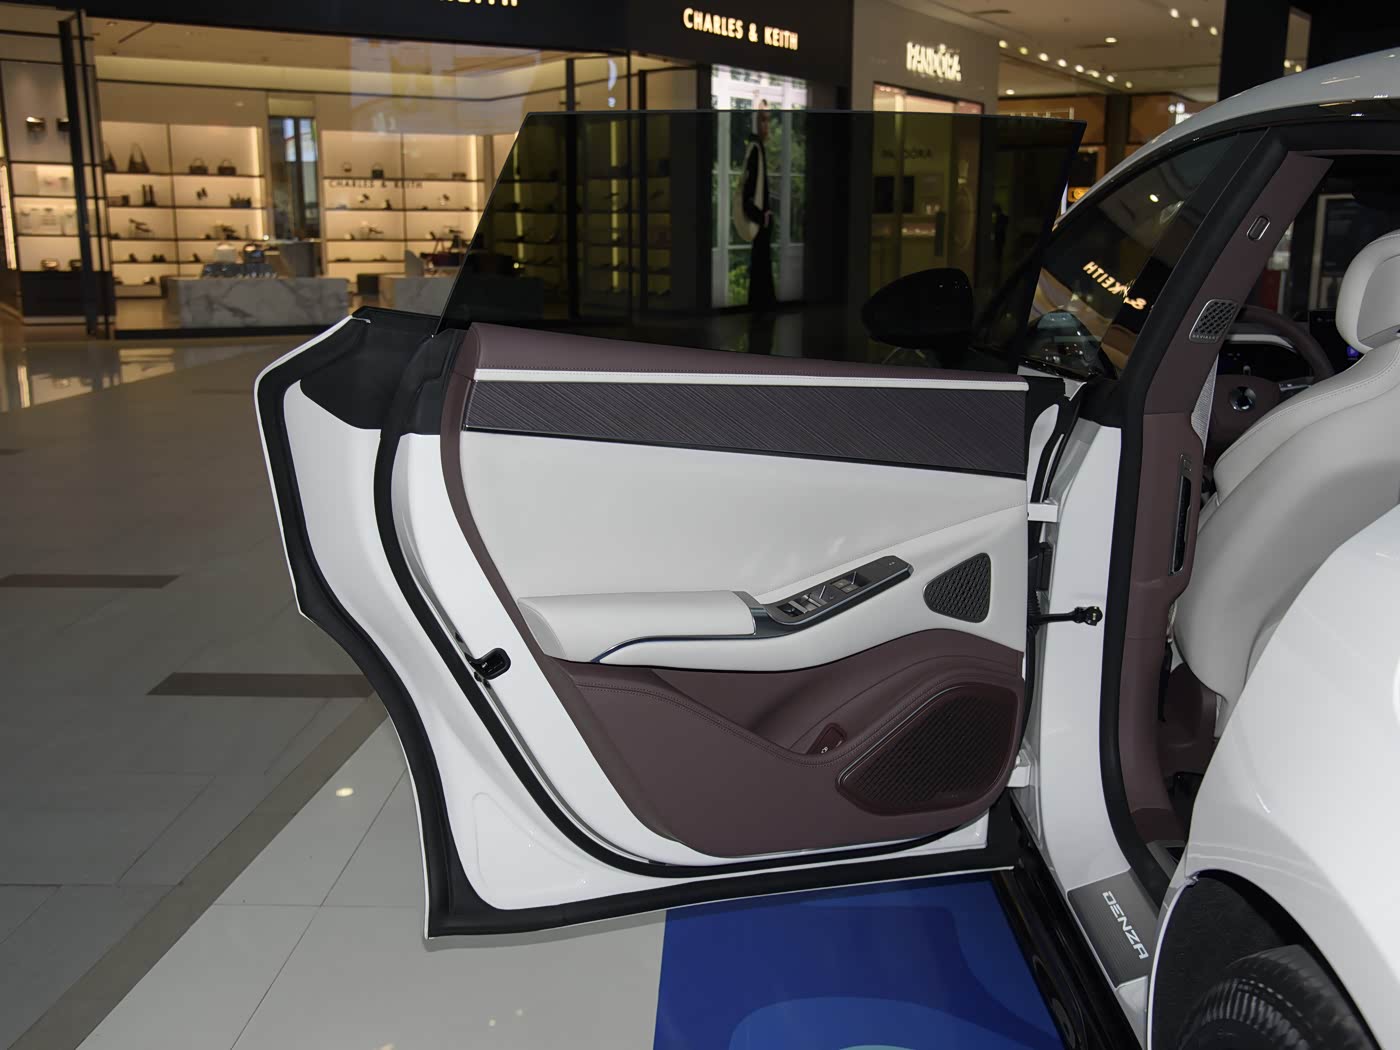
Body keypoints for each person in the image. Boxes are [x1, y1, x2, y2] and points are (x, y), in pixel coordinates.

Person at [740, 104, 777, 352]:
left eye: (768, 120)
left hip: (761, 220)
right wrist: (761, 216)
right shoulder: (755, 150)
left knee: (761, 264)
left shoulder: (756, 149)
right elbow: (747, 193)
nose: (767, 126)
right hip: (760, 221)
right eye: (763, 120)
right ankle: (761, 314)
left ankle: (761, 313)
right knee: (761, 263)